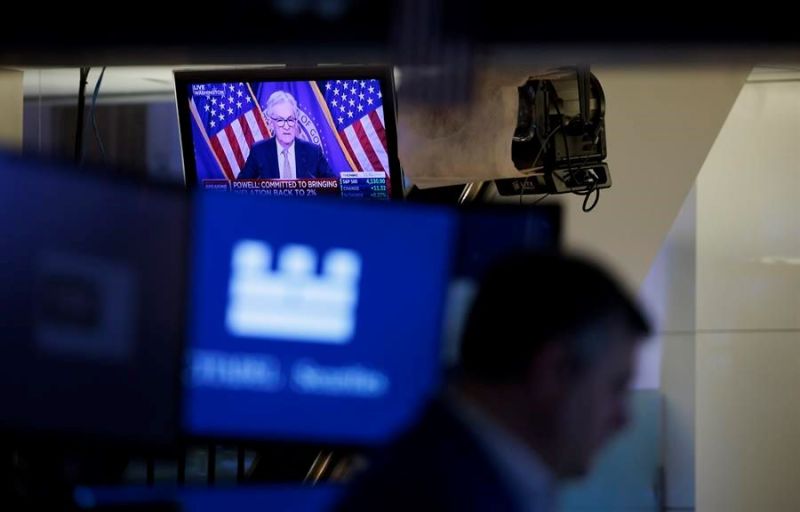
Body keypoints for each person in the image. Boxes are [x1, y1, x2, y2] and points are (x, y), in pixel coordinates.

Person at [335, 250, 651, 512]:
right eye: (616, 388)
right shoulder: (438, 496)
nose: (623, 419)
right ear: (553, 372)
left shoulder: (443, 470)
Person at [237, 91, 336, 180]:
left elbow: (334, 185)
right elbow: (240, 185)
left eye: (290, 119)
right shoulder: (259, 151)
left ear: (296, 122)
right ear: (271, 123)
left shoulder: (313, 152)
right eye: (280, 120)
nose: (286, 126)